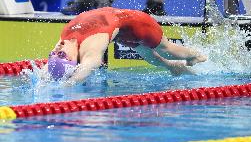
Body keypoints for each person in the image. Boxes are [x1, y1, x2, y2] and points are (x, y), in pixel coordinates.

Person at [47, 7, 207, 86]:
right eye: (60, 55)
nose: (57, 49)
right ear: (75, 59)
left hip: (137, 22)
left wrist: (66, 86)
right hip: (122, 31)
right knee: (154, 60)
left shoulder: (88, 46)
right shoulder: (81, 47)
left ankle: (197, 56)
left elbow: (89, 67)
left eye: (52, 54)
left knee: (167, 50)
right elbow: (82, 67)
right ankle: (174, 67)